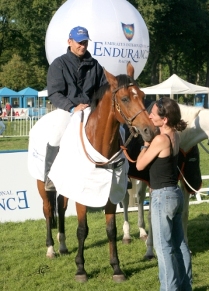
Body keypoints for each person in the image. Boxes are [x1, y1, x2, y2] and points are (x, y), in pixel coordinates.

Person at [136, 97, 192, 291]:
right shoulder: (175, 134)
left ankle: (169, 288)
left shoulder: (160, 139)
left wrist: (144, 144)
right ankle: (185, 286)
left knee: (163, 248)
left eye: (153, 113)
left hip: (162, 197)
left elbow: (140, 165)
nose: (149, 116)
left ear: (165, 119)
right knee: (180, 245)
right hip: (175, 194)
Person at [45, 26, 107, 191]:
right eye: (79, 42)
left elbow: (103, 89)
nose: (83, 46)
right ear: (69, 41)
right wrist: (72, 108)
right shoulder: (59, 64)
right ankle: (49, 176)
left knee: (118, 130)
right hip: (68, 110)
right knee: (57, 134)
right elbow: (54, 93)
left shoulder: (95, 65)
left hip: (91, 109)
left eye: (85, 42)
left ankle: (121, 172)